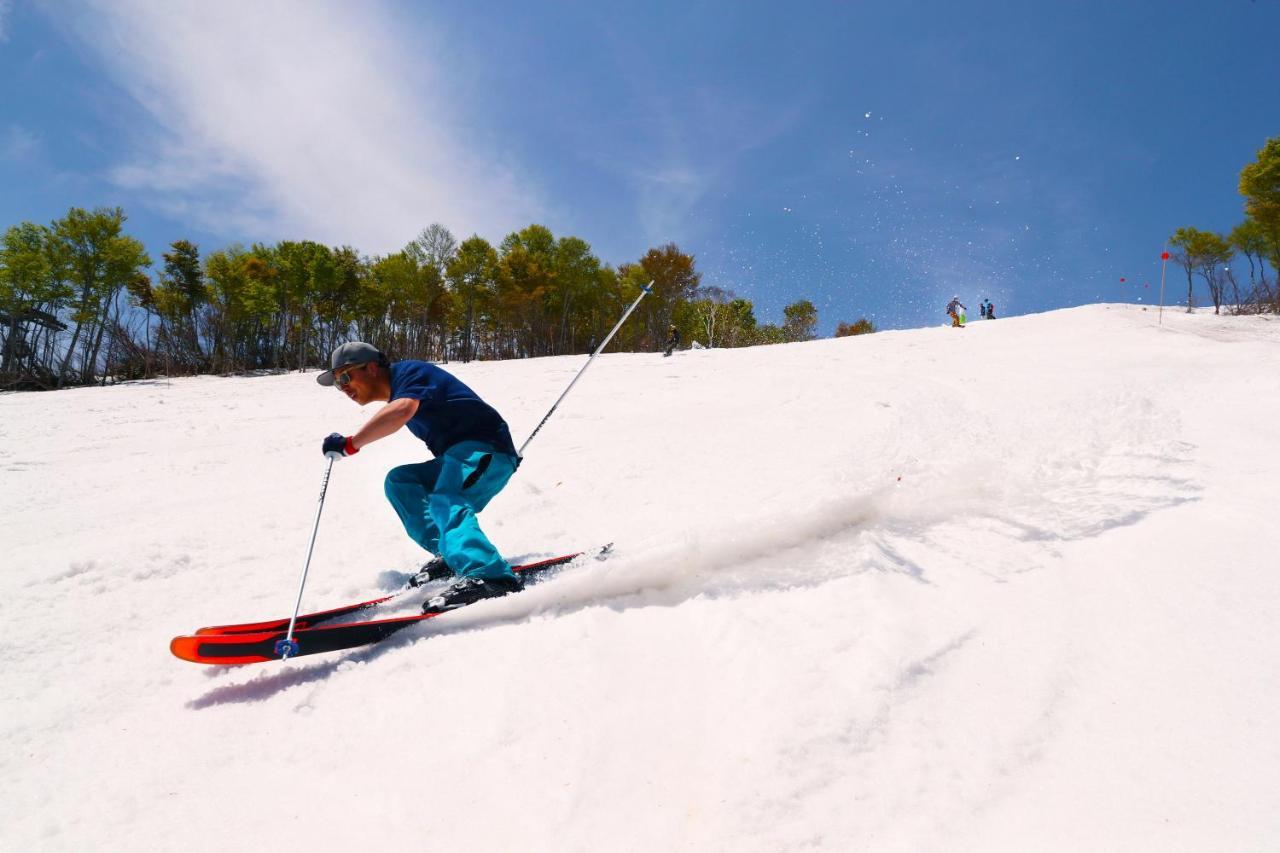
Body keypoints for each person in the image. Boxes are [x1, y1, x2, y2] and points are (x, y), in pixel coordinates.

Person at [317, 341, 522, 611]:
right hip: (459, 457)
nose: (342, 387)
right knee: (401, 482)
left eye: (344, 377)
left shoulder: (411, 373)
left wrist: (350, 444)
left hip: (488, 452)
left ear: (371, 368)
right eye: (336, 383)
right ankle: (450, 553)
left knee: (445, 497)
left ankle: (490, 576)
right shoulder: (401, 391)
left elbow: (402, 410)